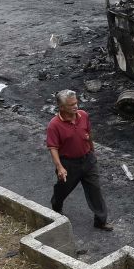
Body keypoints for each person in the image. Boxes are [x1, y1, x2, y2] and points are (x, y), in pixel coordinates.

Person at [46, 90, 112, 231]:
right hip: (69, 164)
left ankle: (100, 221)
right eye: (71, 105)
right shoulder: (54, 125)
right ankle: (56, 205)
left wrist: (92, 151)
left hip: (88, 160)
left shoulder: (84, 115)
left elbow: (88, 134)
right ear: (61, 107)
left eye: (76, 102)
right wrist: (60, 167)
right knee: (63, 189)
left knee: (95, 190)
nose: (75, 106)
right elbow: (53, 147)